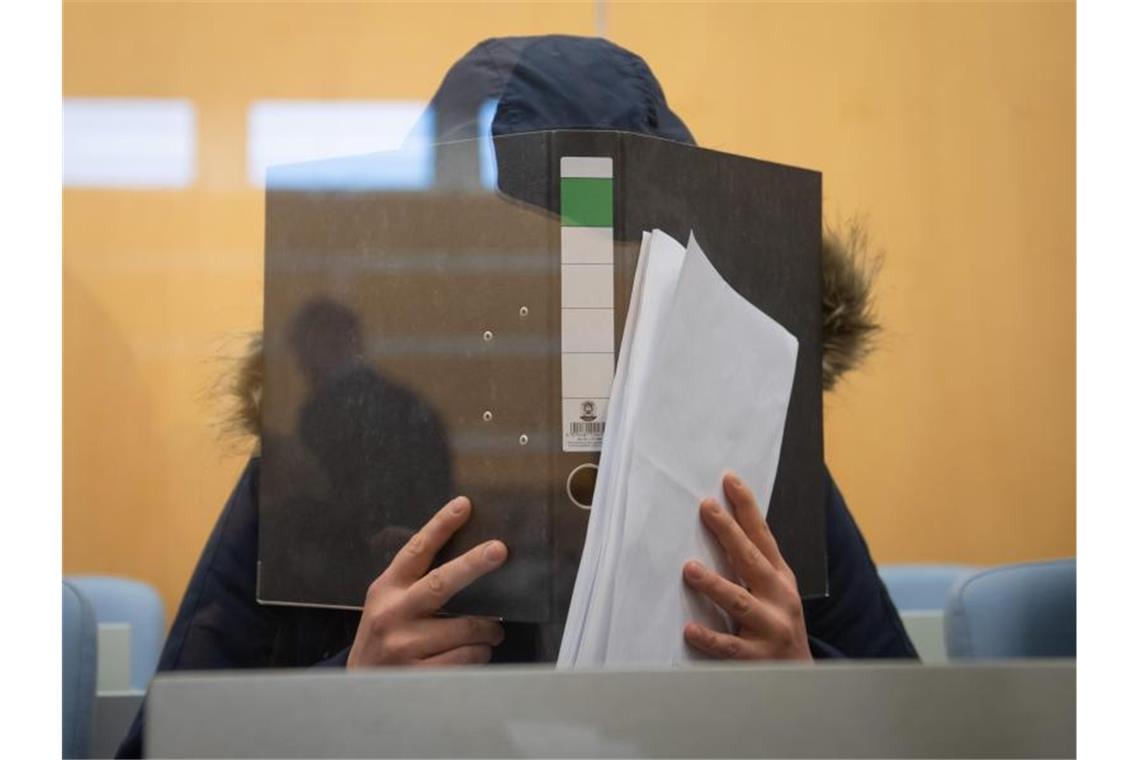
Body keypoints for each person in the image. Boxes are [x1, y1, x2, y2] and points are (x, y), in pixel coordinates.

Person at [116, 34, 914, 758]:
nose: (564, 302)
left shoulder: (748, 463)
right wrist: (346, 699)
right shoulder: (314, 479)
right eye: (512, 260)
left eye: (606, 260)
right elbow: (169, 742)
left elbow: (924, 728)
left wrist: (808, 689)